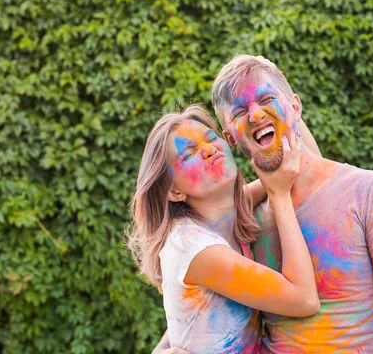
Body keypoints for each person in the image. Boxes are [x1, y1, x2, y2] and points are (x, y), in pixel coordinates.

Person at [208, 55, 373, 353]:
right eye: (239, 111)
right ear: (230, 138)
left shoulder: (369, 192)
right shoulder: (245, 223)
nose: (255, 115)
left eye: (266, 98)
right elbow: (198, 299)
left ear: (295, 106)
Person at [126, 105, 321, 354]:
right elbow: (304, 300)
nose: (208, 150)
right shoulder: (192, 247)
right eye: (188, 155)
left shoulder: (226, 211)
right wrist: (279, 194)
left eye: (210, 138)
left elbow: (307, 169)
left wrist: (288, 107)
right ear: (174, 191)